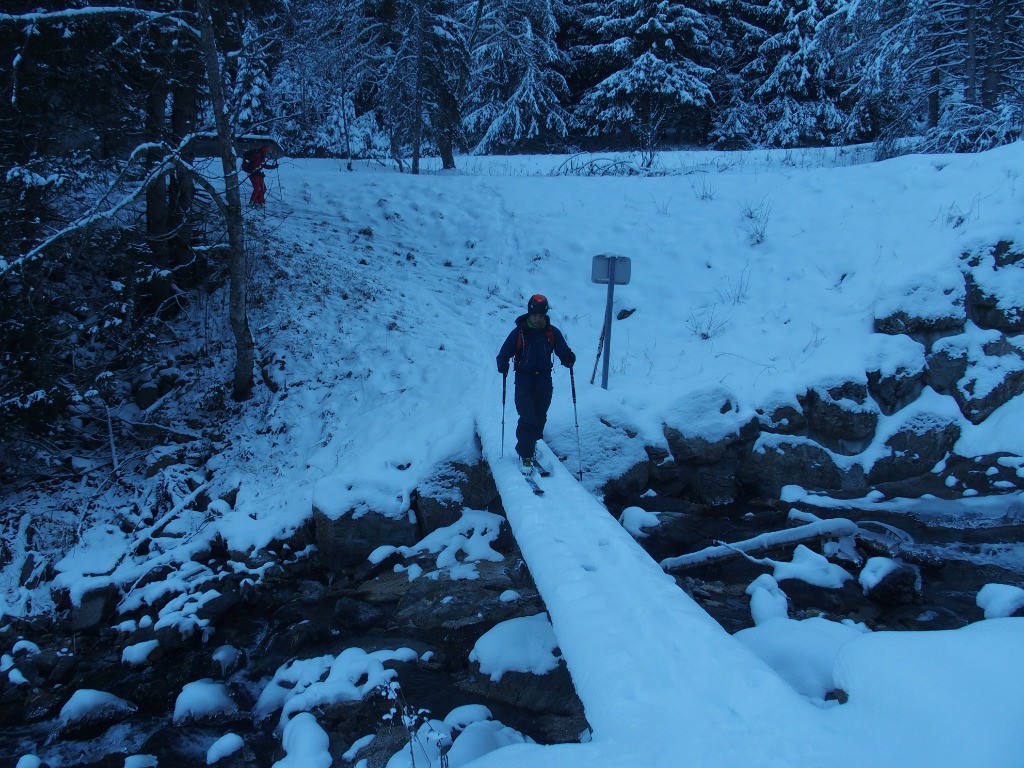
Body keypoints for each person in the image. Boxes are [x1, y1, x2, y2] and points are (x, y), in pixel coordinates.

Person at [496, 294, 576, 471]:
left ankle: (532, 442)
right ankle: (525, 454)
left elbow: (562, 350)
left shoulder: (551, 332)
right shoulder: (519, 332)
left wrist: (568, 358)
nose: (538, 319)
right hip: (524, 380)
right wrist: (502, 362)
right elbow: (504, 352)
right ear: (529, 313)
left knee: (540, 417)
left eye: (541, 316)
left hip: (544, 380)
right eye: (535, 315)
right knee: (527, 417)